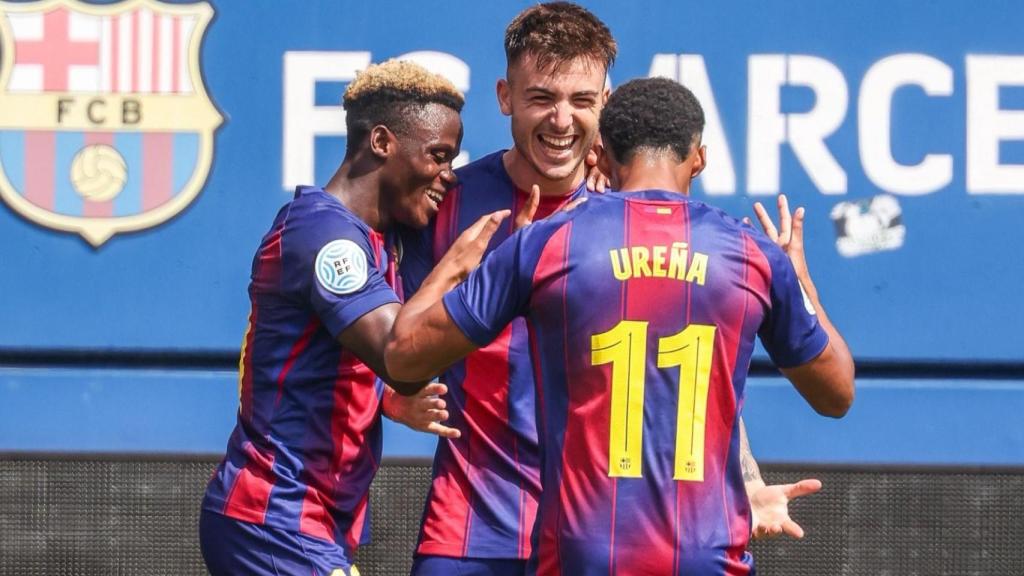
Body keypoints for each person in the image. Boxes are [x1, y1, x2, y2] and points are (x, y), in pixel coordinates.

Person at [387, 3, 818, 574]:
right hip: (472, 529)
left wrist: (747, 478)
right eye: (542, 98)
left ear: (605, 105)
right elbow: (386, 339)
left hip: (602, 542)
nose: (561, 120)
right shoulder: (445, 204)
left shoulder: (647, 222)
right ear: (505, 97)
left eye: (582, 100)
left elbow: (688, 368)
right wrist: (391, 396)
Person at [198, 60, 507, 576]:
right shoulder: (326, 238)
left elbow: (322, 360)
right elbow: (397, 355)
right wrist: (456, 268)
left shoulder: (377, 239)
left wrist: (382, 399)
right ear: (382, 142)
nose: (448, 175)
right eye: (438, 156)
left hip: (304, 526)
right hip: (274, 520)